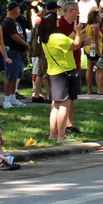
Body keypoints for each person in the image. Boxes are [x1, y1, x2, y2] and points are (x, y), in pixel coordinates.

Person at [39, 11, 83, 143]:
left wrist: (76, 33)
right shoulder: (58, 37)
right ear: (54, 23)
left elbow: (69, 43)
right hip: (65, 72)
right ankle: (61, 136)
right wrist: (78, 31)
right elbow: (76, 45)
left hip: (53, 73)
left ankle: (53, 134)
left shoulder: (46, 39)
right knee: (64, 105)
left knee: (55, 105)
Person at [2, 2, 30, 108]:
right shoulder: (8, 21)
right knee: (10, 76)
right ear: (13, 10)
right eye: (18, 9)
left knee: (16, 76)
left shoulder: (15, 21)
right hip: (12, 51)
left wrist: (23, 48)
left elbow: (20, 35)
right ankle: (7, 100)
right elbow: (14, 37)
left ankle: (13, 98)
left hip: (18, 52)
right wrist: (26, 45)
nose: (19, 11)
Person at [59, 1, 84, 74]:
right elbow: (64, 45)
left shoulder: (75, 25)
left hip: (76, 63)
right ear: (70, 10)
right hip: (66, 66)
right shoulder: (60, 24)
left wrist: (83, 42)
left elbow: (76, 44)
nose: (78, 13)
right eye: (77, 10)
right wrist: (76, 31)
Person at [83, 8, 103, 94]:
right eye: (98, 16)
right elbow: (95, 40)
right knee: (101, 68)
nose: (100, 18)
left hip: (88, 49)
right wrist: (99, 52)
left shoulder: (88, 26)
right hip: (94, 50)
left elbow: (81, 32)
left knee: (89, 68)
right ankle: (100, 89)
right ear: (94, 18)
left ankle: (89, 88)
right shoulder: (95, 27)